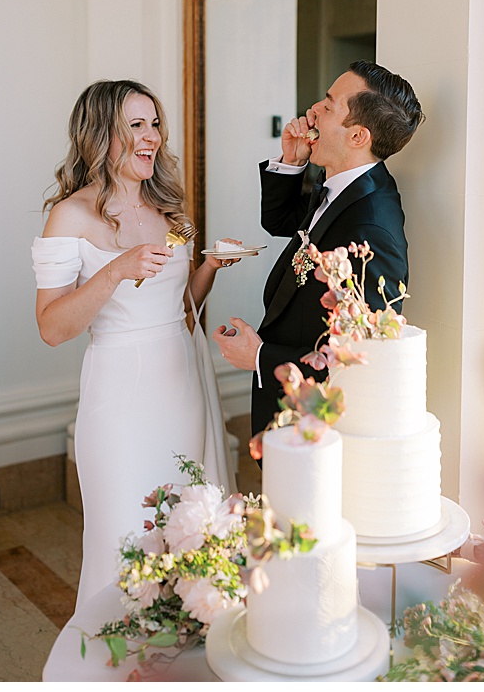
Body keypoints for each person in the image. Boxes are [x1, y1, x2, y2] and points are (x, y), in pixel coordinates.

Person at [33, 80, 238, 609]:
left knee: (188, 528)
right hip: (119, 398)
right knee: (125, 534)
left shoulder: (169, 209)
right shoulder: (70, 216)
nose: (152, 137)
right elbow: (53, 328)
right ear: (101, 135)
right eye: (135, 126)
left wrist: (210, 267)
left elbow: (180, 316)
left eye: (154, 124)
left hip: (182, 388)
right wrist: (116, 271)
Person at [213, 61, 424, 442]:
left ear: (358, 136)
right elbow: (281, 224)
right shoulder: (344, 185)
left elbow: (361, 357)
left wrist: (260, 357)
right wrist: (292, 162)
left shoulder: (371, 227)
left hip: (317, 423)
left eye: (328, 106)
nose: (313, 110)